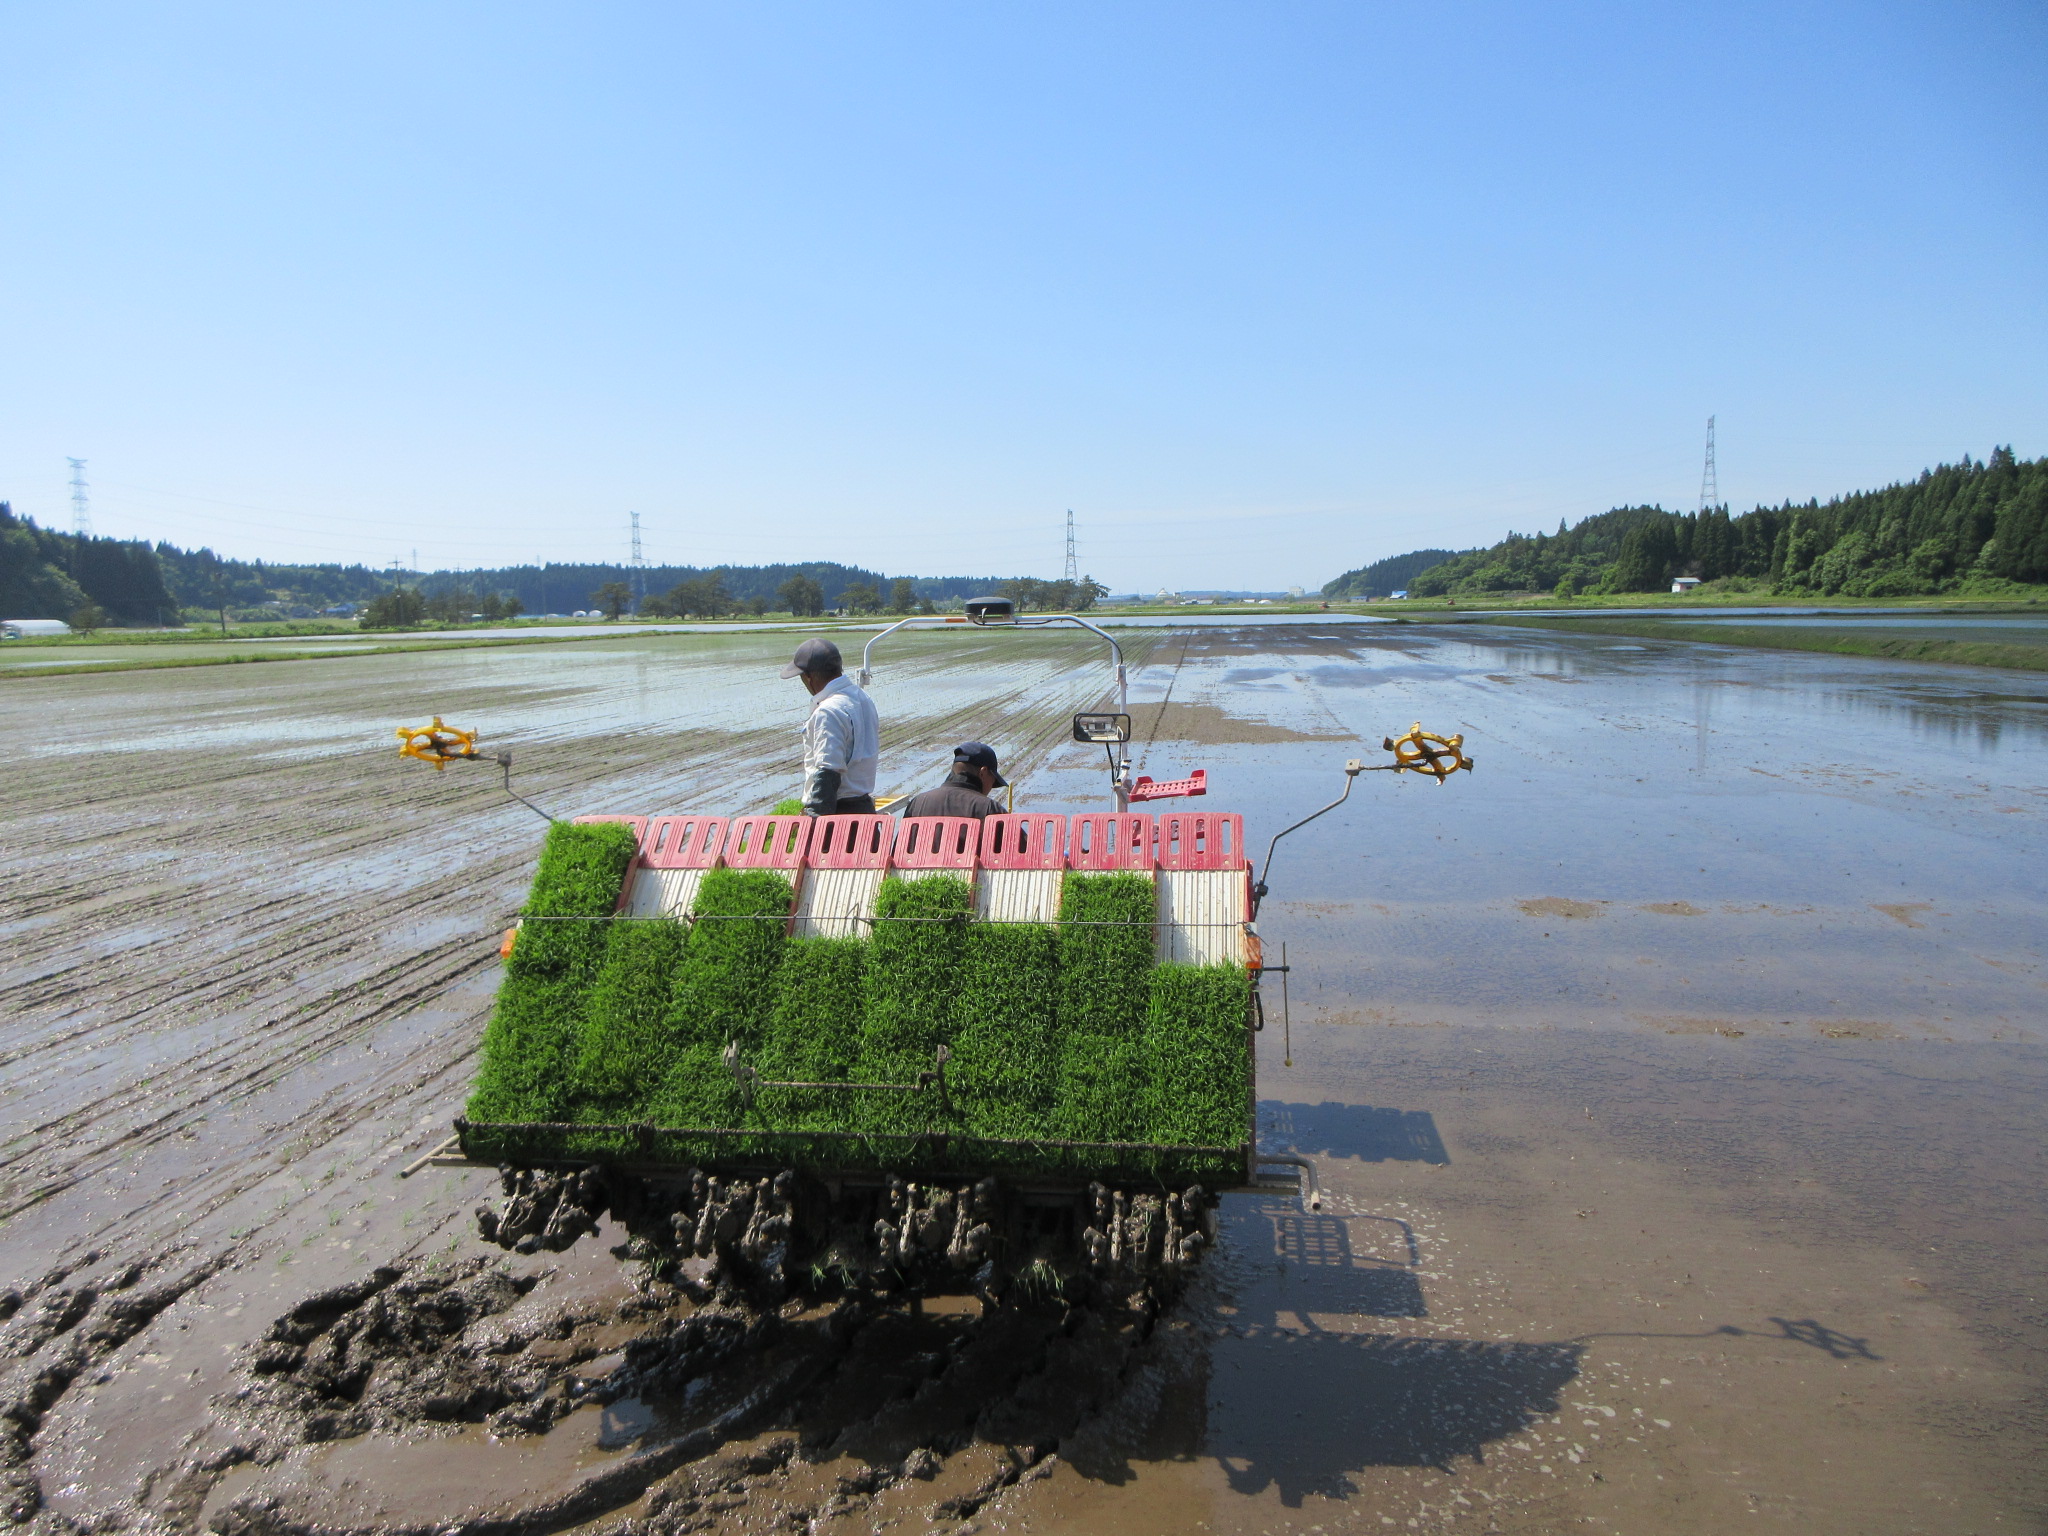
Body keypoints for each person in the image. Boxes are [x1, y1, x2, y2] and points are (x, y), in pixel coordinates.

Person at [782, 638, 880, 816]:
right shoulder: (861, 698)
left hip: (838, 816)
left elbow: (828, 772)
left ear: (808, 677)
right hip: (863, 809)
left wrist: (814, 820)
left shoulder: (828, 711)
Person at [900, 742, 1006, 821]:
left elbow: (899, 848)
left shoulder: (917, 803)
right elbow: (1019, 847)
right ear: (983, 772)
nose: (991, 787)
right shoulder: (989, 809)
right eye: (993, 781)